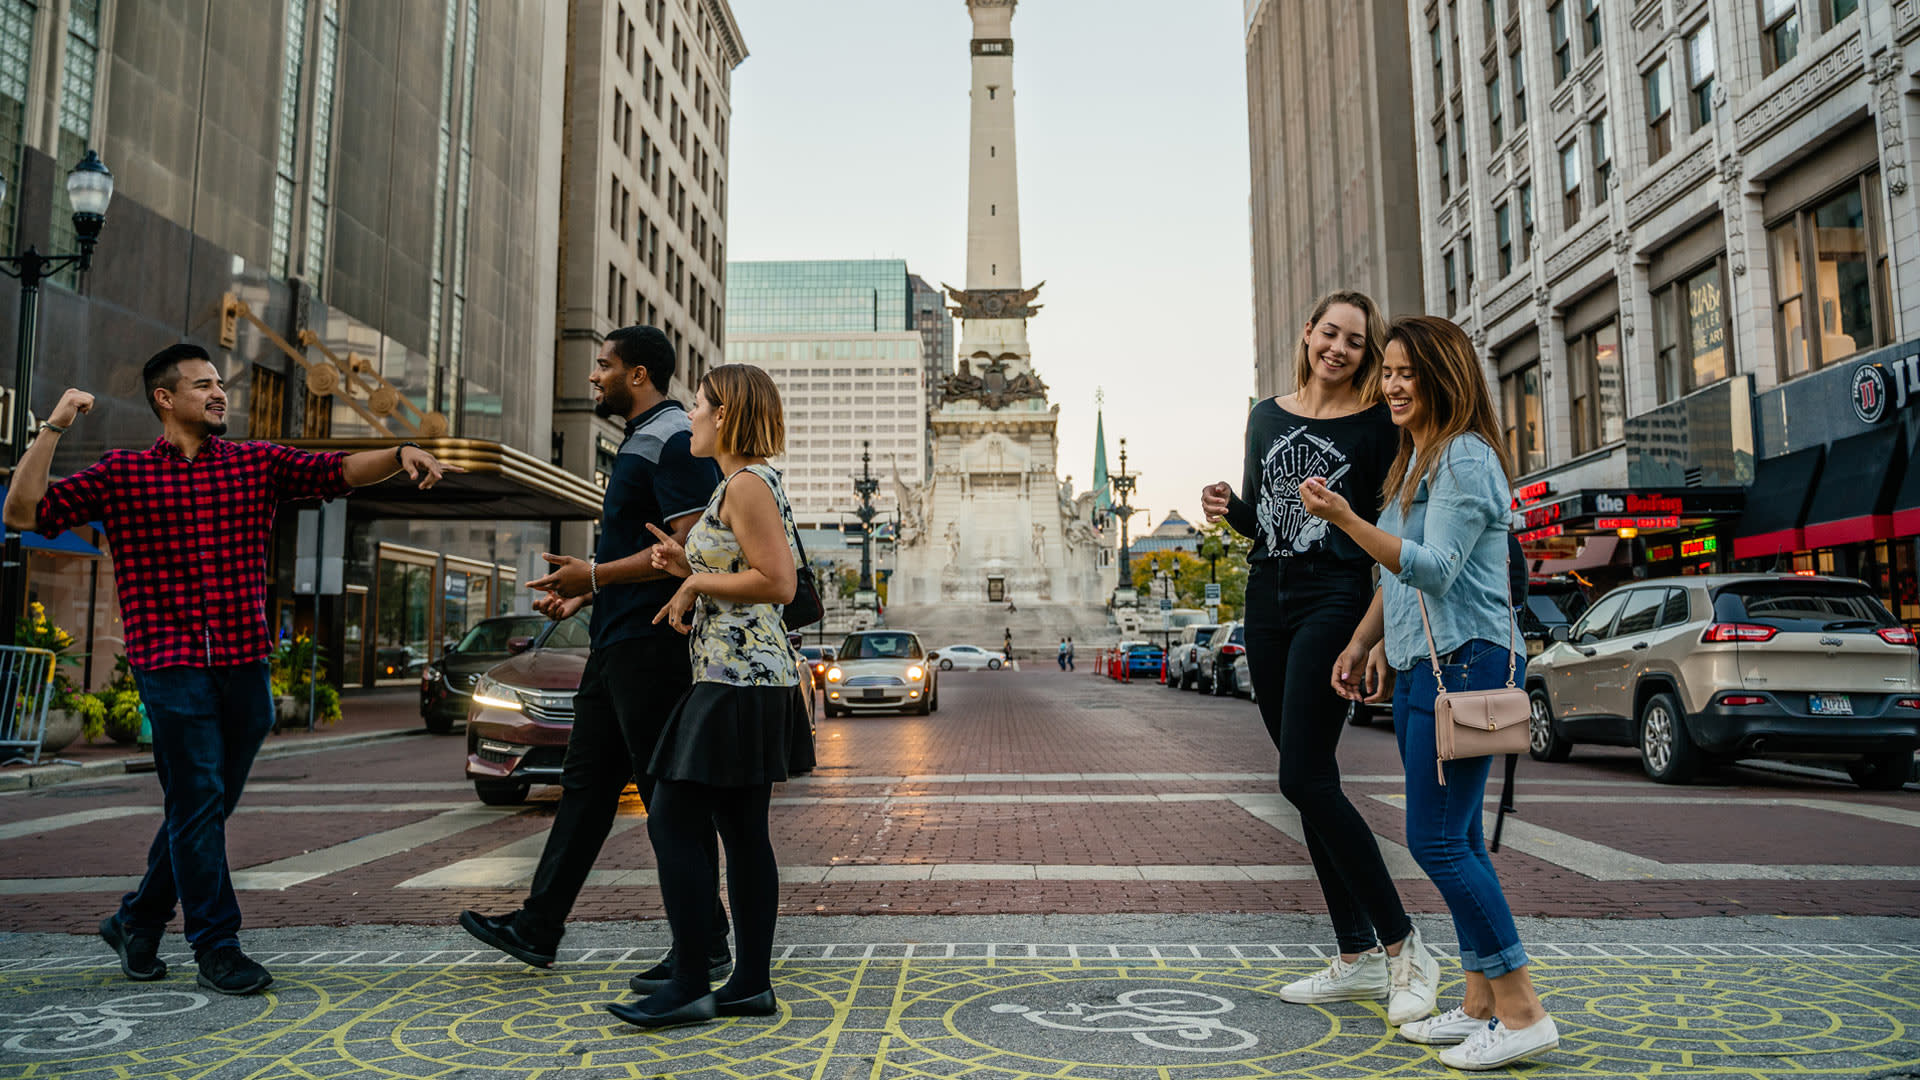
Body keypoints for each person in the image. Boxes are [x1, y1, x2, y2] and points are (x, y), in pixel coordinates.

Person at [0, 344, 458, 995]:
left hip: (245, 665)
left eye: (221, 384)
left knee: (203, 807)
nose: (220, 394)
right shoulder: (123, 474)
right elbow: (23, 513)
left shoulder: (256, 463)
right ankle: (216, 943)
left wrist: (400, 452)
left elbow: (336, 470)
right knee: (197, 801)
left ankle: (137, 918)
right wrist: (54, 427)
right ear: (165, 397)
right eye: (203, 385)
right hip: (170, 664)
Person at [1303, 315, 1559, 1069]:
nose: (1392, 384)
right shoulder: (1418, 461)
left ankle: (1521, 1012)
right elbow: (1397, 572)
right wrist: (1365, 641)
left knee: (1437, 839)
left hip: (1471, 661)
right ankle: (1479, 1001)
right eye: (1387, 372)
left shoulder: (1466, 459)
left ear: (1445, 376)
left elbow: (1436, 566)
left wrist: (1345, 518)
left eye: (1407, 372)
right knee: (1462, 835)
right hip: (1426, 667)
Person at [458, 326, 732, 991]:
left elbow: (690, 547)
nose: (593, 376)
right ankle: (538, 927)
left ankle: (707, 946)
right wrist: (585, 594)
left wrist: (598, 577)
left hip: (652, 649)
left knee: (671, 798)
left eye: (603, 366)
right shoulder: (641, 440)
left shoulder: (672, 439)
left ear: (637, 375)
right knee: (585, 791)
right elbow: (639, 552)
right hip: (615, 646)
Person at [1199, 291, 1439, 1027]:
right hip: (1265, 600)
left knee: (1302, 775)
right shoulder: (1264, 414)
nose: (1339, 348)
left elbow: (1378, 533)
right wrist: (1226, 507)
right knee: (1309, 782)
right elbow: (1265, 517)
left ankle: (1404, 947)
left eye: (1355, 342)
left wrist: (1366, 634)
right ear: (1306, 334)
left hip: (1332, 598)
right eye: (1329, 333)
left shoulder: (1377, 426)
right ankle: (1356, 954)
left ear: (1366, 355)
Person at [608, 362, 806, 1028]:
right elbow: (748, 575)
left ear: (724, 415)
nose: (688, 415)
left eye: (696, 405)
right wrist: (688, 568)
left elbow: (777, 583)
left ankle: (691, 981)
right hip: (748, 677)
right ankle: (748, 983)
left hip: (738, 680)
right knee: (741, 831)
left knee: (671, 819)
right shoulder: (741, 485)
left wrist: (694, 586)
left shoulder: (746, 484)